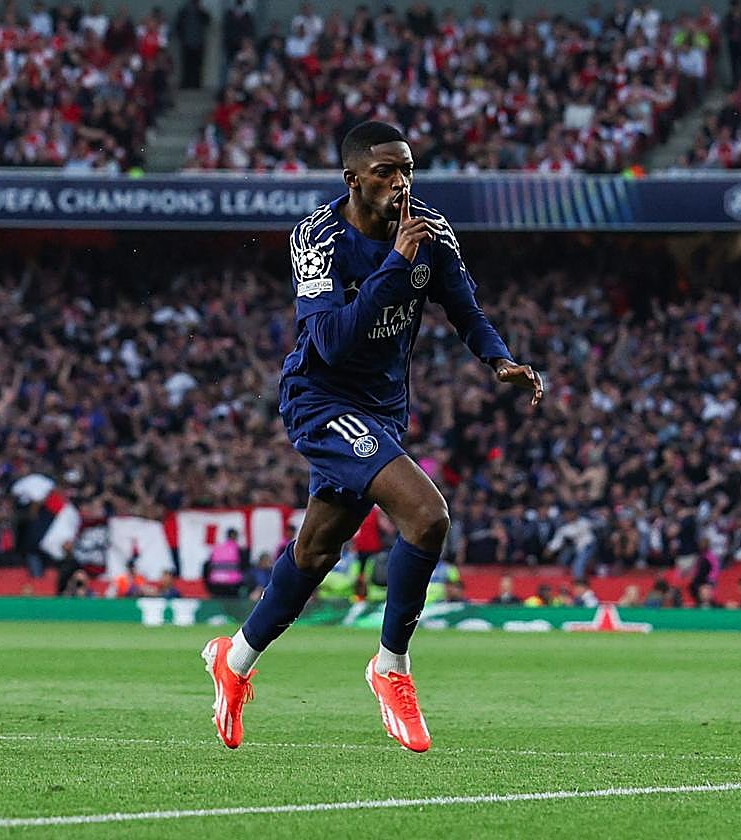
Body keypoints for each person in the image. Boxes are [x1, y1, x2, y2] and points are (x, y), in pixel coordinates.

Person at [201, 120, 543, 753]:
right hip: (319, 398)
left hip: (382, 408)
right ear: (353, 178)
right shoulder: (318, 238)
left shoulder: (431, 233)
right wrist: (394, 264)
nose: (399, 183)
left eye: (407, 169)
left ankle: (235, 658)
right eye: (385, 171)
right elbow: (331, 341)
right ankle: (391, 666)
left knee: (316, 554)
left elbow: (465, 309)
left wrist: (500, 360)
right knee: (427, 515)